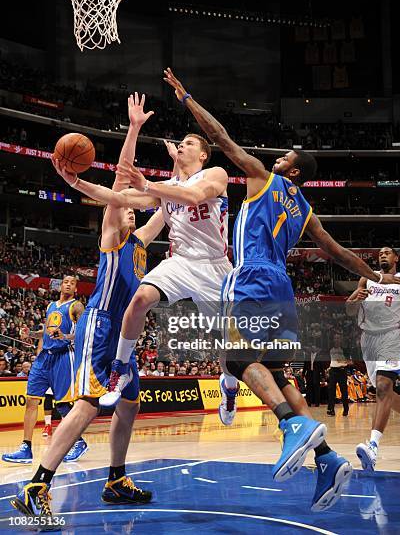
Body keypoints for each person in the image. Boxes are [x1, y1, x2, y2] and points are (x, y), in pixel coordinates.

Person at [162, 67, 400, 512]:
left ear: (291, 168)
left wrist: (186, 98)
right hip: (283, 287)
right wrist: (377, 275)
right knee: (274, 374)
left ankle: (288, 426)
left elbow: (220, 135)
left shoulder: (261, 176)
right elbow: (335, 252)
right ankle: (327, 458)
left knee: (235, 360)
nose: (279, 157)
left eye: (286, 155)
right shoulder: (306, 208)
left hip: (252, 276)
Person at [11, 93, 165, 522]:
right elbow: (118, 185)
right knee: (87, 404)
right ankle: (38, 484)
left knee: (130, 402)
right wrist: (133, 130)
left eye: (137, 206)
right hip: (99, 328)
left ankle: (116, 479)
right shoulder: (113, 231)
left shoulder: (140, 245)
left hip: (124, 337)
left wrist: (178, 176)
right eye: (129, 204)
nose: (133, 209)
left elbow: (169, 209)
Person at [49, 116, 240, 423]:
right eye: (179, 144)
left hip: (215, 266)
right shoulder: (165, 189)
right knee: (139, 300)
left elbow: (192, 196)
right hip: (180, 262)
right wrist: (75, 182)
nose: (182, 146)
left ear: (202, 154)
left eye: (188, 143)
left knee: (226, 343)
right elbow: (117, 197)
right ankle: (120, 369)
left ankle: (229, 386)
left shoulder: (215, 174)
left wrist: (150, 184)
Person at [2, 276, 85, 465]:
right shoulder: (51, 306)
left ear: (76, 288)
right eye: (66, 281)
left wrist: (65, 336)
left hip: (63, 356)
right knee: (31, 400)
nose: (68, 284)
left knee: (63, 405)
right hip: (43, 358)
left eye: (72, 283)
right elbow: (46, 332)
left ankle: (78, 441)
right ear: (60, 285)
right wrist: (31, 333)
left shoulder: (76, 306)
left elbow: (83, 333)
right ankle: (26, 448)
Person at [346, 246, 400, 471]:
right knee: (384, 392)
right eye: (380, 253)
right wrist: (354, 299)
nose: (382, 254)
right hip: (368, 339)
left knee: (383, 386)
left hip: (392, 335)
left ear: (396, 259)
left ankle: (372, 446)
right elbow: (349, 310)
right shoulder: (366, 280)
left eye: (387, 252)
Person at [326, 334, 349, 417]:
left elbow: (349, 360)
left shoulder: (345, 349)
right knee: (331, 391)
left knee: (343, 391)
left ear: (341, 340)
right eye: (335, 338)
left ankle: (346, 409)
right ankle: (331, 410)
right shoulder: (330, 349)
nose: (336, 339)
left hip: (342, 371)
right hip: (333, 371)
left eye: (338, 338)